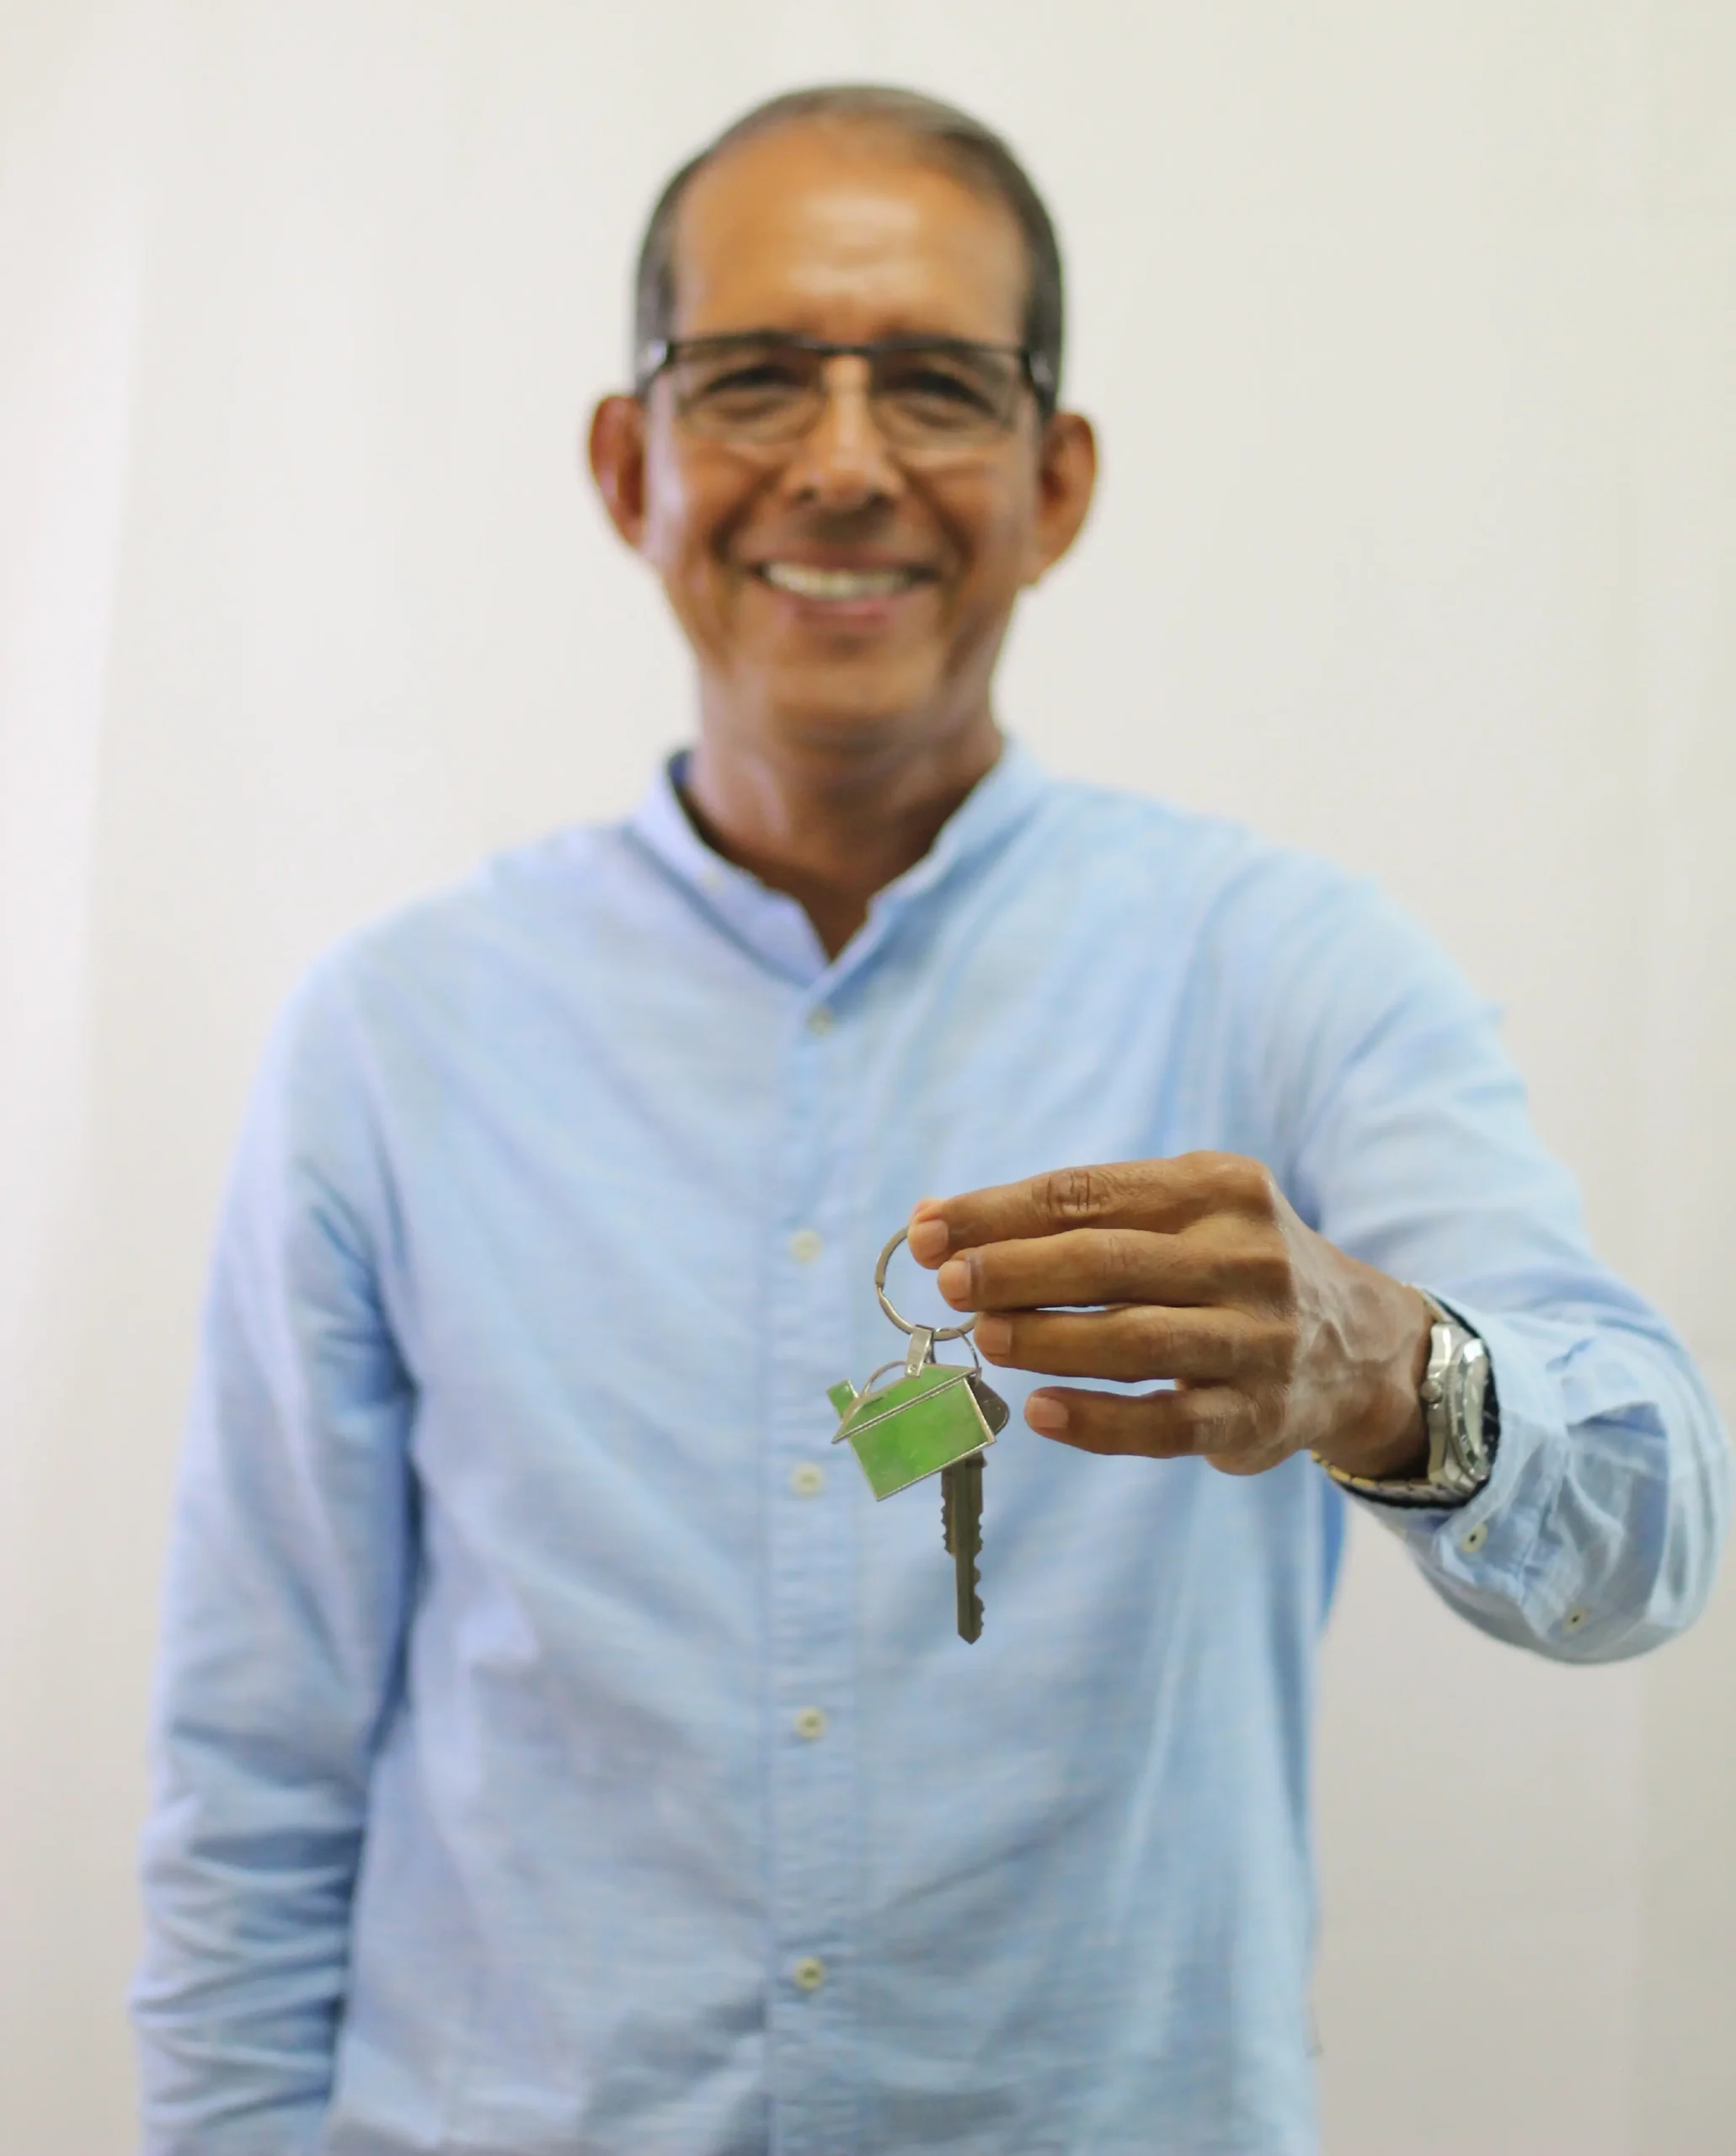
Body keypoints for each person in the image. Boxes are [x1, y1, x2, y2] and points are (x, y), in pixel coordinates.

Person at [133, 84, 1728, 2156]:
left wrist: (1385, 1370)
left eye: (941, 387)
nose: (849, 459)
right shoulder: (392, 1039)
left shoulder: (1286, 973)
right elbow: (255, 1780)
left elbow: (1652, 1529)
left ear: (1056, 482)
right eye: (760, 377)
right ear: (633, 462)